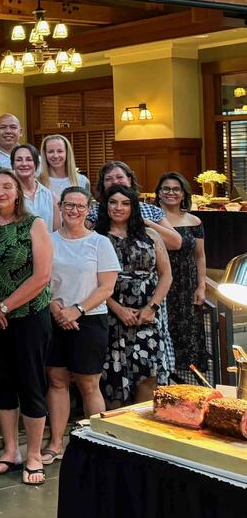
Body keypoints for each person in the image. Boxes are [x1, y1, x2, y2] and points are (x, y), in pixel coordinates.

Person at [0, 169, 54, 486]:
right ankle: (10, 450)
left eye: (7, 186)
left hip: (28, 317)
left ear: (18, 191)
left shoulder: (34, 225)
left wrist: (4, 307)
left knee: (30, 384)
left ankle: (33, 454)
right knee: (1, 384)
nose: (0, 192)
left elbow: (42, 276)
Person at [41, 185, 119, 464]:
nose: (73, 210)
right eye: (68, 205)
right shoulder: (48, 240)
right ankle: (55, 442)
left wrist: (77, 310)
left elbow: (106, 287)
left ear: (88, 210)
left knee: (88, 384)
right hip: (54, 316)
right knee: (57, 381)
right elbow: (41, 280)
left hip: (90, 319)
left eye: (79, 206)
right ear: (60, 207)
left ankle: (100, 446)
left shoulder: (100, 243)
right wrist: (55, 308)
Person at [100, 184, 174, 406]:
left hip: (147, 315)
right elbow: (90, 281)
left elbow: (166, 274)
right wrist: (118, 309)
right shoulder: (97, 237)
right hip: (111, 314)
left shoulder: (150, 234)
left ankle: (144, 428)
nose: (119, 208)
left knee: (148, 375)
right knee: (112, 376)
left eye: (125, 203)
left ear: (134, 206)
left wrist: (152, 308)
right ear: (105, 206)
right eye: (113, 202)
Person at [155, 172, 208, 373]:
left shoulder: (194, 221)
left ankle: (188, 383)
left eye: (176, 189)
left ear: (183, 193)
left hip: (187, 284)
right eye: (166, 189)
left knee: (189, 333)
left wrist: (201, 286)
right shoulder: (152, 217)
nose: (171, 193)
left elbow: (200, 256)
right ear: (159, 193)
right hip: (160, 282)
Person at [87, 161, 182, 249]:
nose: (115, 182)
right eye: (108, 179)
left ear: (129, 180)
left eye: (120, 177)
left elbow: (176, 243)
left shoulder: (151, 210)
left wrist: (146, 223)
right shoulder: (92, 210)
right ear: (103, 184)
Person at [11, 143, 57, 231]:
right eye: (19, 160)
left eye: (29, 159)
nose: (24, 164)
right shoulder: (7, 195)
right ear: (13, 165)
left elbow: (56, 231)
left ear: (36, 164)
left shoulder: (49, 195)